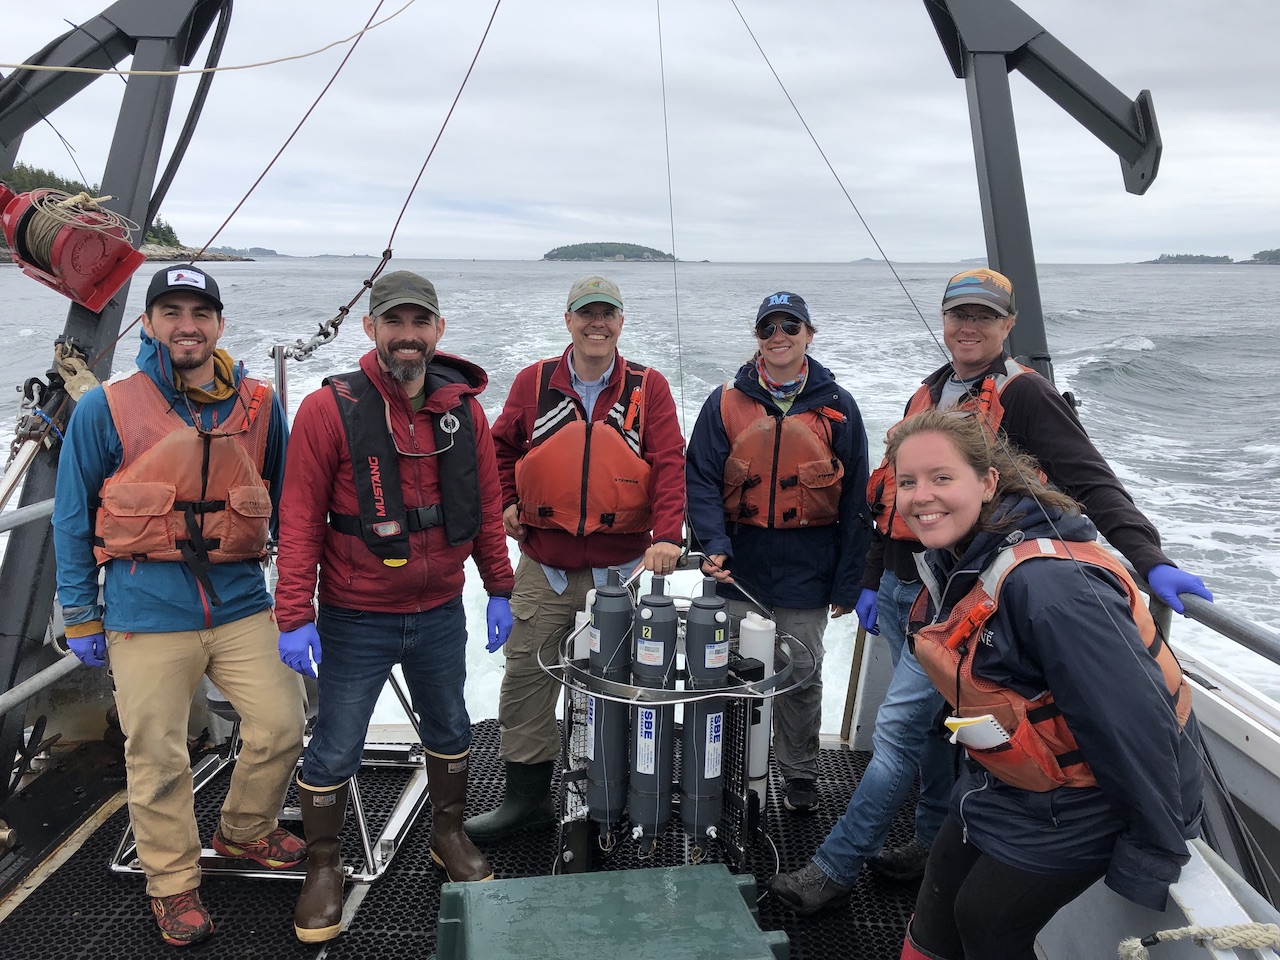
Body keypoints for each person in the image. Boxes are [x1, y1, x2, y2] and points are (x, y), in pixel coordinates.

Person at [772, 267, 1213, 913]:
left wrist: (1148, 558)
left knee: (896, 730)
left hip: (972, 602)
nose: (968, 327)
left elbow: (1090, 478)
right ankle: (928, 841)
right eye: (959, 315)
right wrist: (871, 579)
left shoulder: (1025, 395)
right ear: (945, 322)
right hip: (909, 592)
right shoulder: (930, 391)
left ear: (1008, 327)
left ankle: (834, 868)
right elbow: (893, 498)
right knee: (940, 730)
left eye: (984, 317)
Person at [884, 409, 1202, 960]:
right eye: (907, 482)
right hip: (1007, 784)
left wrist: (1151, 852)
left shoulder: (1051, 587)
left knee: (984, 921)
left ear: (987, 483)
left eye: (942, 478)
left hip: (1086, 800)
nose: (921, 496)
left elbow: (1134, 724)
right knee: (936, 899)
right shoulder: (963, 555)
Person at [53, 264, 306, 948]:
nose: (186, 325)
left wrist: (301, 596)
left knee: (283, 722)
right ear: (150, 323)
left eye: (200, 313)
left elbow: (287, 502)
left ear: (219, 325)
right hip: (144, 608)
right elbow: (73, 521)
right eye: (171, 311)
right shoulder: (104, 409)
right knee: (157, 754)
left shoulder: (257, 405)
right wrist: (81, 615)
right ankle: (171, 883)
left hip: (240, 601)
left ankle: (245, 829)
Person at [274, 270, 514, 943]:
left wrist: (500, 588)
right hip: (355, 615)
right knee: (335, 746)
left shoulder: (464, 411)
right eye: (394, 323)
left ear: (438, 331)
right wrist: (293, 614)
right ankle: (324, 866)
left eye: (419, 323)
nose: (407, 337)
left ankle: (448, 835)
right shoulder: (329, 409)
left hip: (441, 610)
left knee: (450, 727)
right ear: (371, 329)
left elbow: (487, 509)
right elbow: (298, 520)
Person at [464, 275, 686, 842]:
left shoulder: (648, 387)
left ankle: (618, 790)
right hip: (546, 564)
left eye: (607, 313)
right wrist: (510, 503)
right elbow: (498, 448)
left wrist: (668, 535)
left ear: (621, 321)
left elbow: (668, 463)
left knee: (623, 682)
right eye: (586, 313)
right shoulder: (534, 382)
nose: (597, 323)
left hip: (623, 570)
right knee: (527, 678)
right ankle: (527, 799)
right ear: (568, 320)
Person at [685, 291, 870, 812]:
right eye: (768, 328)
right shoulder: (723, 402)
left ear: (810, 334)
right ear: (757, 338)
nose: (779, 336)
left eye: (791, 325)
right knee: (721, 673)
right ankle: (719, 764)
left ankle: (800, 773)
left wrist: (849, 582)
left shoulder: (839, 407)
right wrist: (713, 546)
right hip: (737, 565)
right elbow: (699, 478)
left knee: (801, 675)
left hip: (809, 568)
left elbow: (857, 499)